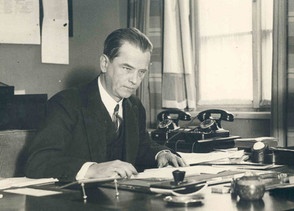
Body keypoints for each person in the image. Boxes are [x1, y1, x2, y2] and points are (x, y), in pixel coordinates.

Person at [25, 28, 187, 182]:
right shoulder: (66, 104)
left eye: (141, 72)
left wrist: (160, 153)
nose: (135, 80)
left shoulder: (134, 106)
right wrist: (91, 169)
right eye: (126, 68)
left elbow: (141, 147)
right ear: (104, 63)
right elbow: (37, 162)